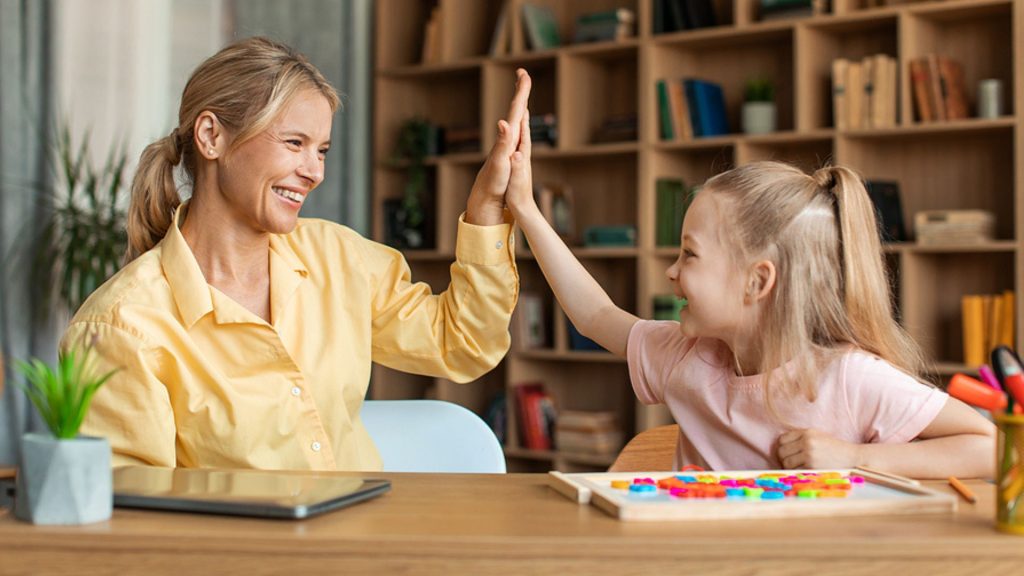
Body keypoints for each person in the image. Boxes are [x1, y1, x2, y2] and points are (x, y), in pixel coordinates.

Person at [60, 37, 533, 470]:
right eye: (294, 143)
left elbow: (464, 343)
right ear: (211, 137)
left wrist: (486, 205)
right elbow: (133, 521)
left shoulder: (338, 257)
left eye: (322, 150)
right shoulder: (121, 327)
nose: (314, 171)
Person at [505, 110, 994, 478]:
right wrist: (525, 208)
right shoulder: (685, 357)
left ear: (757, 282)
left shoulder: (849, 378)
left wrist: (855, 458)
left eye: (689, 255)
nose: (672, 273)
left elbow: (989, 445)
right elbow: (594, 314)